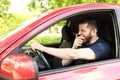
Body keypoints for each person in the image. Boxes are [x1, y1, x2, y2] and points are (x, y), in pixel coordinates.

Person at [31, 19, 111, 66]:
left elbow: (75, 54)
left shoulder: (102, 47)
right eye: (79, 30)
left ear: (93, 31)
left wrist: (43, 48)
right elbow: (64, 63)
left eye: (83, 30)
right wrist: (74, 46)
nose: (79, 33)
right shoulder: (82, 43)